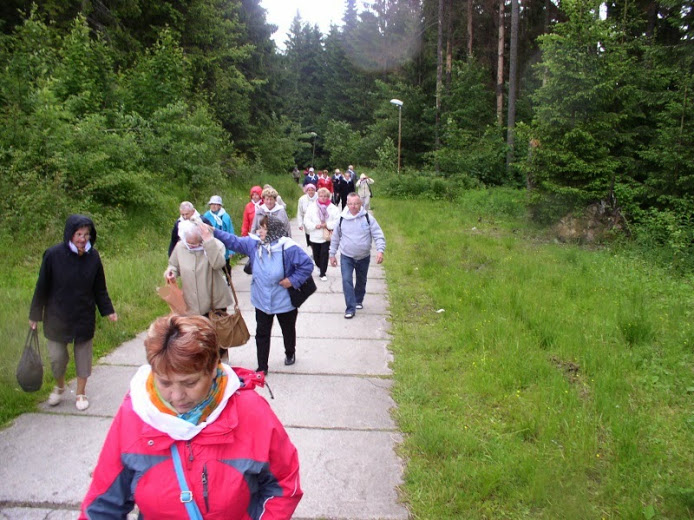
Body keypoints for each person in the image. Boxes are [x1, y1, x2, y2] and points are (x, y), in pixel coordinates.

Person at [80, 314, 303, 519]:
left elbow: (283, 484)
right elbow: (102, 506)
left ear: (213, 368)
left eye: (190, 383)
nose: (177, 396)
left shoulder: (250, 411)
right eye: (165, 382)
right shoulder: (135, 414)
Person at [29, 214, 118, 411]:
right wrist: (35, 314)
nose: (83, 239)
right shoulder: (53, 255)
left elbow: (99, 288)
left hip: (83, 315)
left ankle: (80, 393)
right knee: (57, 358)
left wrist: (108, 310)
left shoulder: (93, 257)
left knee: (83, 357)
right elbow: (41, 286)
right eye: (79, 234)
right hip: (57, 316)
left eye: (86, 234)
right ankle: (60, 386)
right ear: (70, 234)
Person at [208, 216, 313, 373]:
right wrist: (214, 231)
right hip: (261, 298)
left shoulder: (288, 248)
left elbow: (307, 265)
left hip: (284, 300)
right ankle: (262, 367)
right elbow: (233, 241)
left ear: (273, 231)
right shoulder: (254, 244)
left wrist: (292, 280)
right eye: (259, 228)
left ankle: (290, 352)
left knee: (288, 330)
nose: (259, 231)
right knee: (262, 334)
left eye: (263, 228)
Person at [329, 193, 386, 319]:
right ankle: (350, 308)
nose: (353, 206)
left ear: (361, 204)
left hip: (363, 257)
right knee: (346, 280)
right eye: (350, 204)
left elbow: (378, 235)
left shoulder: (367, 218)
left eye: (356, 203)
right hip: (346, 256)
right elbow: (335, 238)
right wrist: (332, 254)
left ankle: (358, 299)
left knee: (361, 280)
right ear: (347, 204)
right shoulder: (341, 219)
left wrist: (380, 251)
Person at [165, 220, 234, 317]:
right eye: (189, 243)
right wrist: (171, 273)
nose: (193, 246)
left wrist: (208, 243)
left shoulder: (215, 244)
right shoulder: (180, 247)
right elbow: (173, 265)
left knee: (215, 326)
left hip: (214, 303)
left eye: (196, 243)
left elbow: (218, 264)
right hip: (191, 303)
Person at [304, 187, 340, 281]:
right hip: (315, 235)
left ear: (328, 197)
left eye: (325, 196)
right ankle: (319, 266)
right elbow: (306, 220)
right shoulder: (312, 207)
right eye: (321, 196)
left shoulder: (333, 208)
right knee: (316, 255)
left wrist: (327, 225)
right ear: (318, 196)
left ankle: (323, 273)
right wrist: (315, 226)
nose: (323, 198)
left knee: (324, 254)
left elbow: (337, 221)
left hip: (326, 236)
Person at [203, 195, 235, 275]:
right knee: (213, 266)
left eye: (216, 204)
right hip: (212, 244)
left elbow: (230, 232)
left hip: (224, 244)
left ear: (220, 206)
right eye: (212, 204)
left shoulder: (225, 216)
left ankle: (228, 278)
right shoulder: (206, 216)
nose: (213, 206)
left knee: (225, 266)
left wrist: (231, 250)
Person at [297, 182, 318, 248]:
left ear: (315, 190)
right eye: (309, 190)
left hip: (317, 222)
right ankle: (312, 249)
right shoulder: (302, 199)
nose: (311, 192)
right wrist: (300, 224)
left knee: (316, 239)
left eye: (312, 190)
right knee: (309, 239)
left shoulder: (319, 197)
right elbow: (300, 212)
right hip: (307, 222)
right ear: (306, 191)